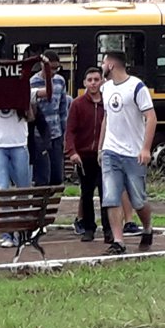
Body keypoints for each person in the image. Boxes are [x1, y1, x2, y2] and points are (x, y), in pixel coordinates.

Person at [99, 51, 157, 255]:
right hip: (111, 151)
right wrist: (101, 147)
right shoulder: (105, 88)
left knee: (138, 200)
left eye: (103, 63)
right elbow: (106, 118)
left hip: (133, 153)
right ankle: (118, 241)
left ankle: (147, 228)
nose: (102, 66)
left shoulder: (136, 86)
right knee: (111, 196)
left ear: (112, 65)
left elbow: (151, 117)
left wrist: (145, 148)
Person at [66, 67, 112, 243]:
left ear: (102, 82)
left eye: (96, 79)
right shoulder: (77, 104)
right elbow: (70, 131)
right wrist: (72, 152)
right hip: (84, 156)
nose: (93, 83)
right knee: (86, 193)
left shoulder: (107, 103)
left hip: (103, 155)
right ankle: (88, 228)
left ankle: (108, 229)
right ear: (85, 83)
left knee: (106, 193)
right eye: (90, 80)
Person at [0, 82, 35, 248]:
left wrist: (24, 101)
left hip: (19, 145)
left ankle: (23, 232)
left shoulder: (21, 94)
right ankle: (7, 233)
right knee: (3, 189)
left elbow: (30, 117)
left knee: (23, 189)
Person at [29, 50, 71, 186]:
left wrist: (65, 133)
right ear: (42, 65)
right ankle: (41, 203)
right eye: (50, 68)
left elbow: (63, 109)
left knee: (57, 176)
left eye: (56, 68)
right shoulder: (32, 82)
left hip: (56, 133)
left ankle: (53, 203)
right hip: (39, 134)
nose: (53, 71)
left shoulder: (60, 81)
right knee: (42, 175)